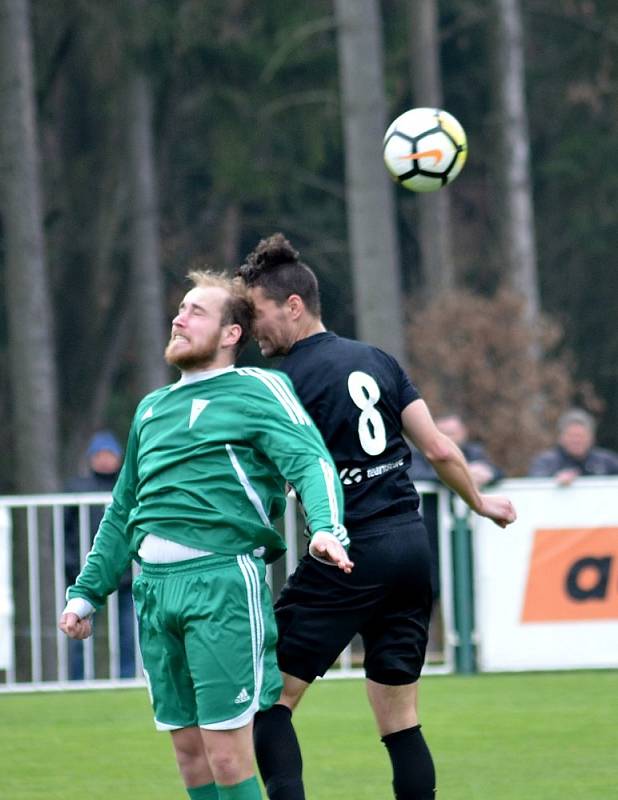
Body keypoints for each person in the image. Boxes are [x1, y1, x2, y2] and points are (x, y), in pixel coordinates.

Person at [237, 233, 517, 800]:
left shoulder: (282, 383)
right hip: (410, 547)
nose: (251, 328)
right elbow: (438, 449)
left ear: (294, 306)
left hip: (348, 552)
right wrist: (481, 504)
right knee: (400, 718)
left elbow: (263, 475)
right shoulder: (377, 360)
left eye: (257, 313)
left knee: (268, 699)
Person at [58, 270, 352, 800]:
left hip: (221, 584)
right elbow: (124, 509)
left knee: (225, 751)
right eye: (178, 309)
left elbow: (310, 461)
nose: (178, 317)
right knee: (190, 755)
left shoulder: (259, 388)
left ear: (231, 333)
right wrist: (87, 591)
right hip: (154, 589)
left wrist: (327, 528)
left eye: (195, 310)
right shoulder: (151, 408)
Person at [409, 413, 504, 659]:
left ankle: (475, 656)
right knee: (423, 600)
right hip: (430, 541)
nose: (450, 438)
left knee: (471, 596)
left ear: (464, 432)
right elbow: (417, 475)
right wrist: (460, 476)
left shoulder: (474, 453)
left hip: (468, 544)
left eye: (454, 432)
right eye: (444, 432)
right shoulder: (420, 453)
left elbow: (495, 471)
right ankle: (417, 657)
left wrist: (488, 473)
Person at [64, 430, 136, 679]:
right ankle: (77, 682)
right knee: (78, 631)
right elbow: (63, 533)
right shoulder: (76, 488)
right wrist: (74, 568)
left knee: (128, 634)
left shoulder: (129, 488)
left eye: (110, 454)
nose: (105, 460)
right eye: (100, 454)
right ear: (91, 458)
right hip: (87, 576)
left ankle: (127, 679)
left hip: (127, 577)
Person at [527, 407, 618, 485]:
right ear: (560, 438)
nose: (576, 440)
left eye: (581, 436)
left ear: (592, 438)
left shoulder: (607, 461)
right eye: (571, 436)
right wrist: (555, 479)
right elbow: (535, 483)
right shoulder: (546, 462)